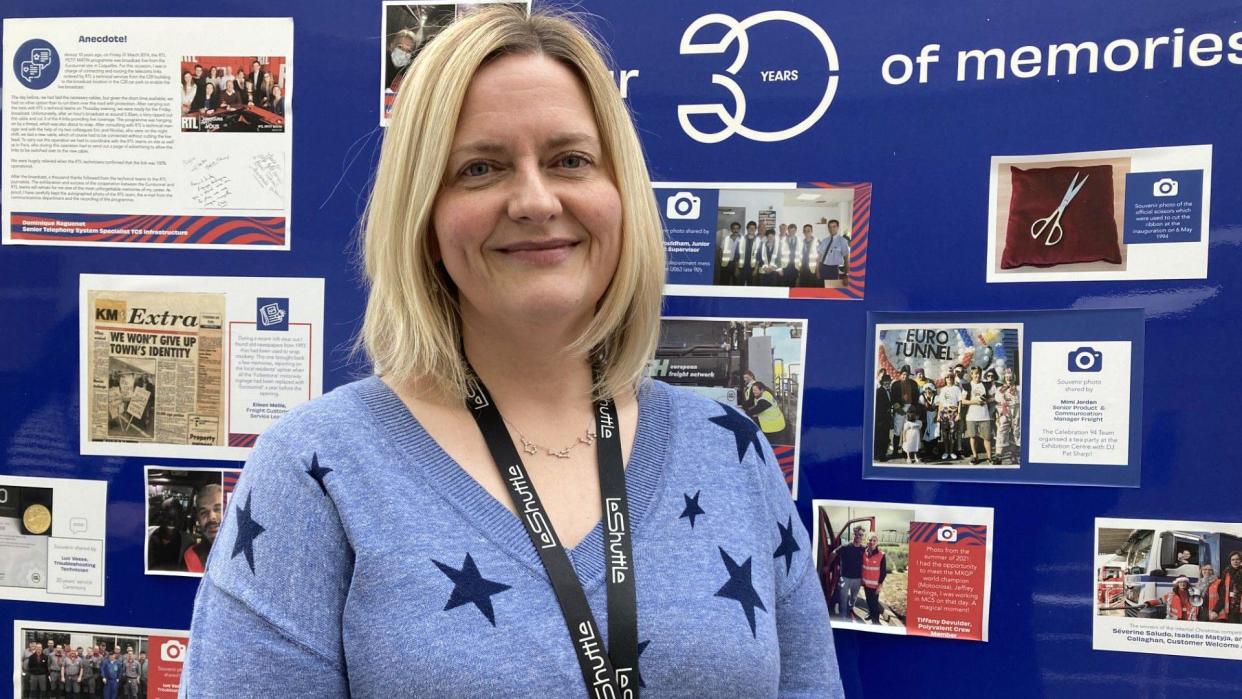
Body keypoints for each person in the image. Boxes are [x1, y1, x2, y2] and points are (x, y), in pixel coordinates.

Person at [182, 7, 841, 697]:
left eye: (570, 160)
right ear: (426, 218)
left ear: (621, 196)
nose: (533, 199)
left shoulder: (730, 449)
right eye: (481, 168)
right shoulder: (318, 468)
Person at [182, 483, 222, 572]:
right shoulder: (191, 556)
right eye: (203, 512)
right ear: (198, 519)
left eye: (218, 509)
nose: (212, 517)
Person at [148, 497, 191, 571]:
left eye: (176, 517)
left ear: (180, 519)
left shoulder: (187, 542)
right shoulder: (148, 534)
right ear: (161, 517)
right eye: (168, 516)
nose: (171, 522)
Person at [962, 366, 993, 464]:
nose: (977, 375)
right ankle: (975, 456)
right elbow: (963, 401)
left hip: (984, 416)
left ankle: (990, 457)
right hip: (971, 416)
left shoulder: (986, 385)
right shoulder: (967, 385)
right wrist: (975, 402)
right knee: (973, 437)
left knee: (987, 438)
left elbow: (993, 397)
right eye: (975, 373)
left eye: (979, 373)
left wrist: (986, 400)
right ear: (971, 375)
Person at [836, 526, 866, 620]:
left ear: (862, 536)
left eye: (860, 535)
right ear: (853, 534)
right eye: (856, 534)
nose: (858, 536)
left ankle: (850, 608)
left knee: (853, 598)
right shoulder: (845, 546)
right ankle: (843, 617)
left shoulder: (864, 549)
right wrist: (827, 565)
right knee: (843, 598)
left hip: (857, 579)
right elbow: (833, 553)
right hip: (845, 577)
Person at [888, 365, 919, 456]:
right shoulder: (895, 384)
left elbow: (916, 396)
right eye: (904, 374)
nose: (906, 376)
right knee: (898, 430)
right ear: (901, 374)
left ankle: (906, 451)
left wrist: (913, 406)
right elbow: (893, 398)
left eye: (907, 374)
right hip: (900, 408)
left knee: (908, 429)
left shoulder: (913, 383)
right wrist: (898, 408)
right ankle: (895, 450)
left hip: (910, 408)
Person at [744, 381, 786, 445]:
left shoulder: (764, 400)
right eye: (753, 390)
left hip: (774, 427)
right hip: (774, 425)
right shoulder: (765, 393)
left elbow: (754, 411)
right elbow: (751, 402)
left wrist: (742, 412)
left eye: (755, 390)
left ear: (761, 390)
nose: (753, 392)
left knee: (771, 446)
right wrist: (742, 406)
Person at [993, 366, 1020, 464]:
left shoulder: (1019, 389)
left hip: (1016, 412)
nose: (1009, 379)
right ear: (1004, 378)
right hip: (1004, 412)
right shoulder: (1000, 389)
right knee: (1001, 432)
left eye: (1011, 377)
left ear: (1014, 378)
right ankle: (998, 455)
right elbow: (997, 401)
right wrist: (997, 416)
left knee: (1015, 433)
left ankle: (1014, 455)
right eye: (1007, 377)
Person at [861, 534, 889, 624]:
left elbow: (883, 572)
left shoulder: (881, 555)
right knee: (868, 601)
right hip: (866, 584)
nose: (872, 542)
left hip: (875, 585)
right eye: (870, 540)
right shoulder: (864, 553)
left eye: (874, 540)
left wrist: (879, 585)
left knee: (874, 603)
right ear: (866, 541)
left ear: (877, 542)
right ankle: (870, 614)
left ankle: (875, 620)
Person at [936, 371, 962, 460]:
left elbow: (960, 402)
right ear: (945, 379)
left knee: (953, 434)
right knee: (945, 434)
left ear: (953, 378)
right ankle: (946, 452)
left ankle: (952, 452)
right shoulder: (943, 389)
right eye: (947, 377)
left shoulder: (957, 388)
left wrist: (958, 414)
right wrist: (939, 415)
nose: (949, 379)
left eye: (951, 377)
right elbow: (941, 403)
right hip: (944, 413)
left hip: (953, 413)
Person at [817, 219, 849, 284]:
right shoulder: (824, 241)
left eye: (834, 226)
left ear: (838, 227)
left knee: (833, 289)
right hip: (823, 267)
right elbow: (819, 257)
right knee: (822, 288)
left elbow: (846, 258)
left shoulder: (842, 241)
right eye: (830, 227)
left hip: (834, 269)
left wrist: (846, 275)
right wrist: (817, 271)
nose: (832, 229)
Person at [387, 29, 418, 93]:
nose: (403, 53)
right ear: (392, 45)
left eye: (408, 51)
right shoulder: (380, 63)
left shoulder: (408, 73)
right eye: (400, 47)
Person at [874, 372, 893, 461]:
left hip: (887, 419)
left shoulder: (889, 391)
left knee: (885, 437)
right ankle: (879, 455)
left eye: (888, 382)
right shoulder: (879, 391)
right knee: (879, 438)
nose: (887, 383)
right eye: (885, 382)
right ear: (882, 383)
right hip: (880, 419)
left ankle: (883, 454)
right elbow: (877, 406)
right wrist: (885, 411)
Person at [716, 221, 742, 285]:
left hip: (737, 264)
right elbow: (720, 251)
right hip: (726, 264)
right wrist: (721, 262)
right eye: (734, 228)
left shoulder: (742, 240)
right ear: (731, 229)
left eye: (737, 228)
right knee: (724, 282)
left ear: (739, 229)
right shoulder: (726, 239)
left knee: (736, 282)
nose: (735, 230)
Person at [1222, 551, 1242, 623]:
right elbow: (1222, 587)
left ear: (1240, 560)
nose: (1235, 561)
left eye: (1237, 559)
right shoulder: (1226, 572)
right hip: (1231, 605)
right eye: (1233, 560)